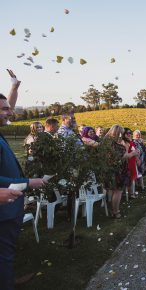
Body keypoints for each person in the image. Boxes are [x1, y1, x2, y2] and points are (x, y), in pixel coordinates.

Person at [0, 69, 46, 290]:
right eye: (6, 110)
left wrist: (14, 87)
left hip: (10, 203)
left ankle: (8, 278)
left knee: (6, 252)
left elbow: (5, 109)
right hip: (3, 206)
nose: (10, 112)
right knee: (4, 251)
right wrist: (28, 182)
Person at [103, 125, 138, 218]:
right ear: (117, 133)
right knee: (118, 191)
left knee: (114, 190)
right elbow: (123, 156)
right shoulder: (116, 145)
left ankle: (113, 210)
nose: (122, 135)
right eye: (121, 133)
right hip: (117, 170)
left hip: (108, 169)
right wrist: (133, 153)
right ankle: (116, 212)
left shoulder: (105, 142)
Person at [122, 128, 138, 199]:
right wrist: (134, 153)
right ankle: (131, 193)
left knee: (132, 178)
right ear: (123, 134)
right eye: (127, 133)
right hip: (129, 162)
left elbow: (133, 150)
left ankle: (132, 192)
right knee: (130, 178)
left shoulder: (129, 141)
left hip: (133, 161)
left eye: (130, 133)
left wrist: (137, 154)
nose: (129, 134)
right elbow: (126, 154)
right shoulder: (125, 143)